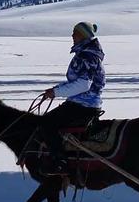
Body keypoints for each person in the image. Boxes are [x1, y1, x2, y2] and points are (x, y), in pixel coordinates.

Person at [40, 22, 105, 172]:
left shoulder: (86, 56)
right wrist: (56, 89)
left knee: (46, 124)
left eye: (75, 33)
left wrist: (56, 93)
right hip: (82, 103)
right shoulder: (87, 54)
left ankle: (60, 162)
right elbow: (76, 82)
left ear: (83, 35)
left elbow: (83, 85)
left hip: (83, 106)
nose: (72, 36)